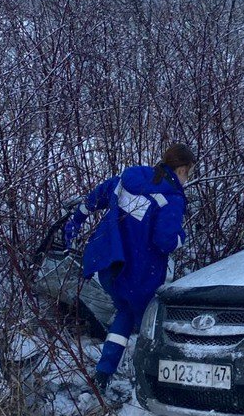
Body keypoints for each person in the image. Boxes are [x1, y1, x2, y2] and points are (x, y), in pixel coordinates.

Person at [64, 142, 196, 395]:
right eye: (188, 172)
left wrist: (76, 221)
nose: (187, 178)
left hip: (109, 263)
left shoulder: (131, 176)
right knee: (152, 320)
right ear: (181, 169)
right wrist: (182, 237)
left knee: (124, 314)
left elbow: (96, 197)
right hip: (138, 273)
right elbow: (165, 241)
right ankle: (156, 379)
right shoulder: (171, 198)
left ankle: (103, 375)